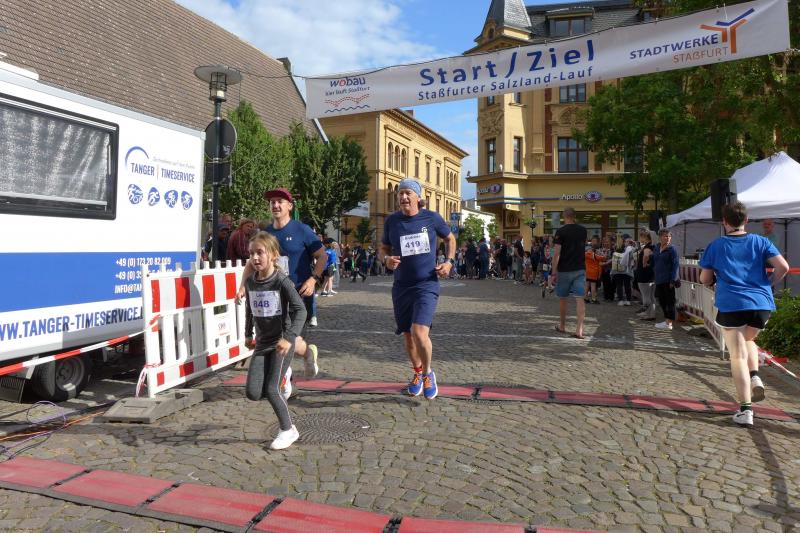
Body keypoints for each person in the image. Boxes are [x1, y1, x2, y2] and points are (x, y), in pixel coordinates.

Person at [699, 202, 789, 427]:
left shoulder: (716, 245)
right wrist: (768, 284)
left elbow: (704, 279)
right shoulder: (761, 241)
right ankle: (754, 375)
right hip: (761, 304)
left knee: (737, 355)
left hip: (732, 304)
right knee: (748, 340)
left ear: (724, 222)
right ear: (746, 221)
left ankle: (746, 410)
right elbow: (784, 267)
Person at [238, 188, 324, 388]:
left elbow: (322, 256)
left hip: (298, 294)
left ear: (289, 206)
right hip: (273, 297)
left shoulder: (302, 230)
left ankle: (303, 357)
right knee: (280, 340)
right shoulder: (266, 233)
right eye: (272, 202)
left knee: (291, 339)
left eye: (280, 202)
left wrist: (313, 280)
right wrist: (242, 286)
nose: (275, 205)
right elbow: (251, 263)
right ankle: (285, 381)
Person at [380, 178, 455, 400]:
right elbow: (383, 247)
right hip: (401, 286)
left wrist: (449, 262)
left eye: (408, 193)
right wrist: (386, 259)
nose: (403, 197)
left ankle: (428, 373)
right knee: (408, 336)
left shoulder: (431, 218)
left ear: (418, 197)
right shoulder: (392, 221)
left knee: (419, 331)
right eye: (400, 193)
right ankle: (417, 372)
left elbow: (450, 238)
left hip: (426, 284)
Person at [243, 231, 306, 450]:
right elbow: (250, 309)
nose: (255, 258)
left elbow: (301, 310)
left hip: (281, 343)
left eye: (260, 252)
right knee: (253, 393)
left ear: (273, 255)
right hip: (262, 343)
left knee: (272, 390)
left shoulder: (282, 281)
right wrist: (247, 334)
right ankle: (285, 377)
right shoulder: (250, 282)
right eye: (251, 253)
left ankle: (288, 430)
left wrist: (289, 338)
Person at [552, 207, 588, 338]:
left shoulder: (560, 231)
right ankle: (579, 330)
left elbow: (557, 254)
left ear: (564, 216)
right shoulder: (583, 231)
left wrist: (553, 272)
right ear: (574, 216)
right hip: (579, 268)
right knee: (580, 299)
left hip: (564, 270)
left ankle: (562, 326)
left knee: (563, 299)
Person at [652, 228, 680, 330]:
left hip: (668, 279)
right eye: (665, 236)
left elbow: (675, 265)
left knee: (670, 301)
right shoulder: (657, 247)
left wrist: (673, 280)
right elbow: (655, 262)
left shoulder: (672, 249)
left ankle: (669, 323)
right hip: (659, 279)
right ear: (660, 237)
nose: (668, 238)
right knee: (662, 301)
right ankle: (666, 320)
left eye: (669, 236)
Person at [635, 230, 656, 321]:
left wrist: (644, 263)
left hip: (644, 274)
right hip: (651, 274)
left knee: (646, 295)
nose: (640, 239)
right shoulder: (654, 246)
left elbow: (646, 256)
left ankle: (648, 314)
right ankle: (651, 314)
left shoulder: (647, 247)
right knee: (651, 296)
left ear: (645, 237)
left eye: (641, 237)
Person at [584, 236, 603, 303]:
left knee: (587, 284)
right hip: (593, 271)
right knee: (593, 285)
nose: (593, 242)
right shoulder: (592, 251)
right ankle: (593, 298)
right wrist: (603, 256)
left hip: (588, 270)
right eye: (592, 241)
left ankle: (585, 297)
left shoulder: (587, 250)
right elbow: (600, 258)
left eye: (594, 241)